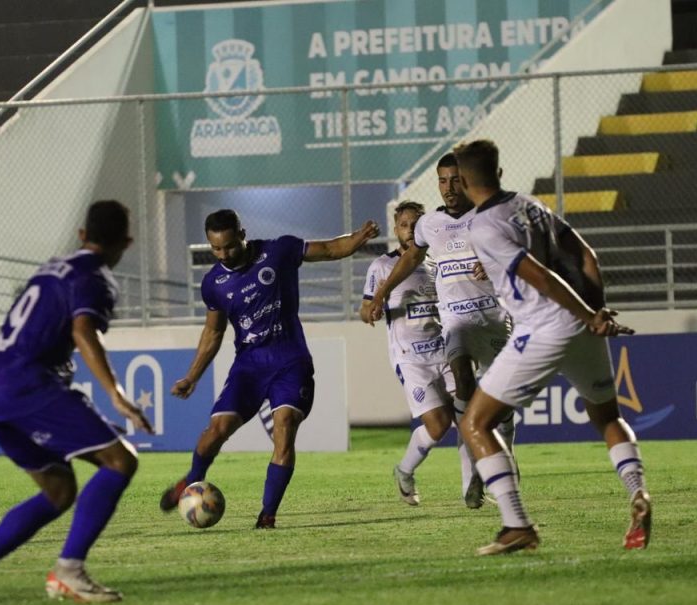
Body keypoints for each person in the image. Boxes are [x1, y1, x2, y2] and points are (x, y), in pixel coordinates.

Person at [0, 200, 153, 604]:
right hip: (30, 387)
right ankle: (69, 572)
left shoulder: (52, 267)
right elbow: (83, 331)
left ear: (81, 235)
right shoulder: (97, 278)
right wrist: (116, 394)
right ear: (126, 242)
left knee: (58, 491)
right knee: (121, 461)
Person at [453, 139, 651, 555]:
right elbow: (587, 256)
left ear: (465, 182)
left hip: (544, 328)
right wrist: (596, 313)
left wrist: (585, 314)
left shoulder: (482, 225)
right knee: (607, 417)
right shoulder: (530, 205)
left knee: (475, 423)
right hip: (581, 329)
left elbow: (539, 276)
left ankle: (516, 524)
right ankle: (638, 491)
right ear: (500, 173)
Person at [160, 209, 379, 528]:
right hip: (248, 367)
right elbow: (214, 332)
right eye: (216, 249)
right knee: (215, 433)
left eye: (230, 246)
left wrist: (357, 238)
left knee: (284, 426)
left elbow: (331, 248)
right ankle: (191, 481)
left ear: (242, 234)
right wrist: (192, 376)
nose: (224, 254)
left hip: (290, 360)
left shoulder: (279, 251)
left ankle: (267, 514)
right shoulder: (213, 284)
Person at [368, 154, 516, 508]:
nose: (449, 188)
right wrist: (382, 293)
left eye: (455, 180)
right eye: (442, 181)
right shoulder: (430, 225)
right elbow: (410, 258)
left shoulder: (491, 214)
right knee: (460, 384)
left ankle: (502, 465)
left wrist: (494, 260)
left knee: (500, 402)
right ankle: (472, 481)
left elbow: (522, 254)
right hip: (455, 326)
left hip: (494, 319)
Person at [359, 201, 458, 506]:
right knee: (438, 425)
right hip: (411, 358)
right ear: (396, 229)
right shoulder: (382, 267)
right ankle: (404, 471)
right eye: (405, 224)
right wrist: (372, 310)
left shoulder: (437, 261)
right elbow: (364, 309)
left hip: (447, 351)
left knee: (472, 415)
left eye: (416, 223)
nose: (411, 229)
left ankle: (480, 482)